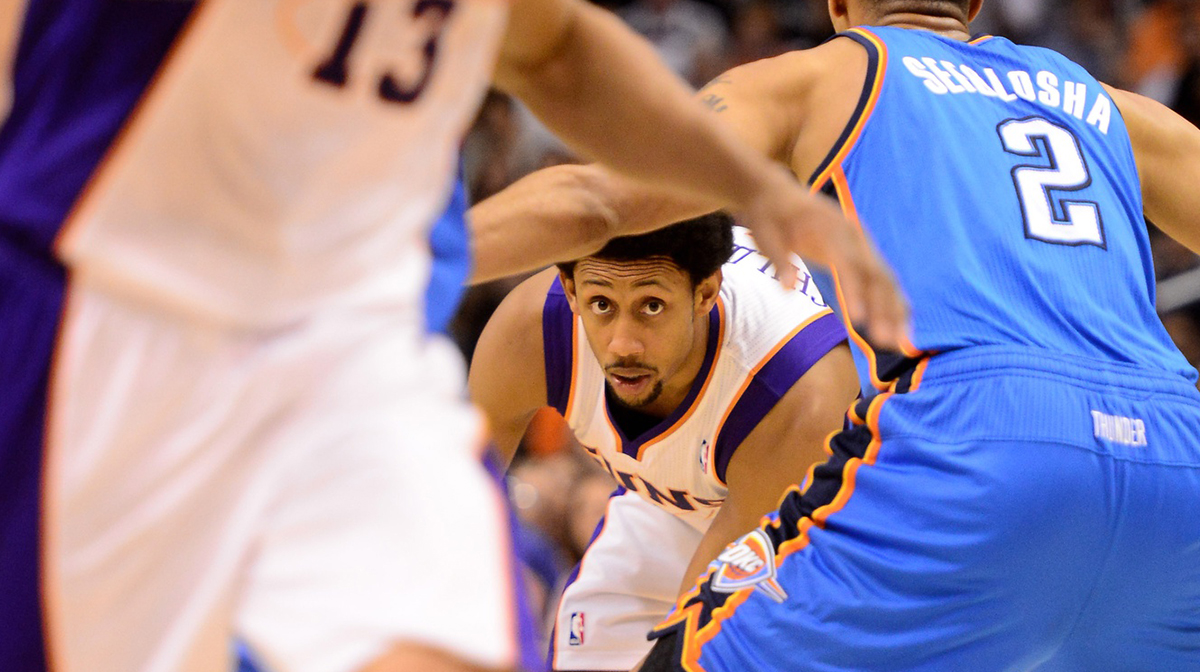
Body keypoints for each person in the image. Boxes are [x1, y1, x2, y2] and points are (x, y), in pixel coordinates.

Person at [0, 2, 910, 672]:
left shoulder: (796, 374)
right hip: (118, 318)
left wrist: (760, 189)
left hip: (350, 350)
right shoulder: (537, 326)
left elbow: (555, 51)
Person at [468, 0, 1200, 669]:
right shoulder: (1104, 105)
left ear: (838, 6)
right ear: (974, 7)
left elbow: (598, 203)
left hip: (975, 439)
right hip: (1177, 465)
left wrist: (396, 253)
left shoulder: (834, 75)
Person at [468, 213, 858, 671]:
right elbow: (450, 517)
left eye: (651, 306)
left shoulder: (794, 392)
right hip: (666, 507)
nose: (623, 344)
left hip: (810, 537)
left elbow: (698, 633)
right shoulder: (530, 333)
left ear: (705, 293)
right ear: (571, 291)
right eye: (601, 305)